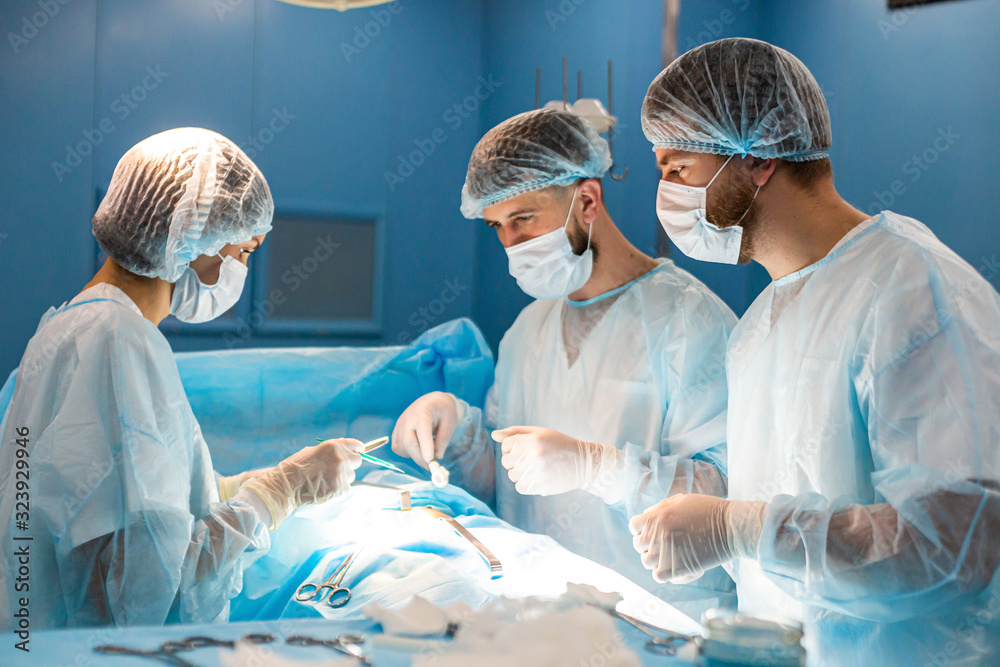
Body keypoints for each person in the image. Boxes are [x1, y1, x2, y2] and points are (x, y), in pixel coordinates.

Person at [629, 37, 1000, 664]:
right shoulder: (763, 322)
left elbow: (955, 547)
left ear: (760, 160)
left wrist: (737, 527)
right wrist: (717, 529)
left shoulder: (914, 290)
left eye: (676, 169)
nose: (666, 197)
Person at [0, 128, 363, 630]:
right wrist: (283, 491)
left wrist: (229, 489)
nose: (242, 271)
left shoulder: (64, 328)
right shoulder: (120, 344)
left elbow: (101, 514)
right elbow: (148, 592)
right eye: (245, 252)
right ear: (193, 242)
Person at [391, 108, 738, 618]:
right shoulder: (528, 330)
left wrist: (598, 467)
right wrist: (456, 430)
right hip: (542, 614)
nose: (510, 244)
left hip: (662, 620)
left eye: (524, 219)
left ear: (588, 200)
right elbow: (506, 484)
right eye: (497, 227)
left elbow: (727, 496)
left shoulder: (690, 321)